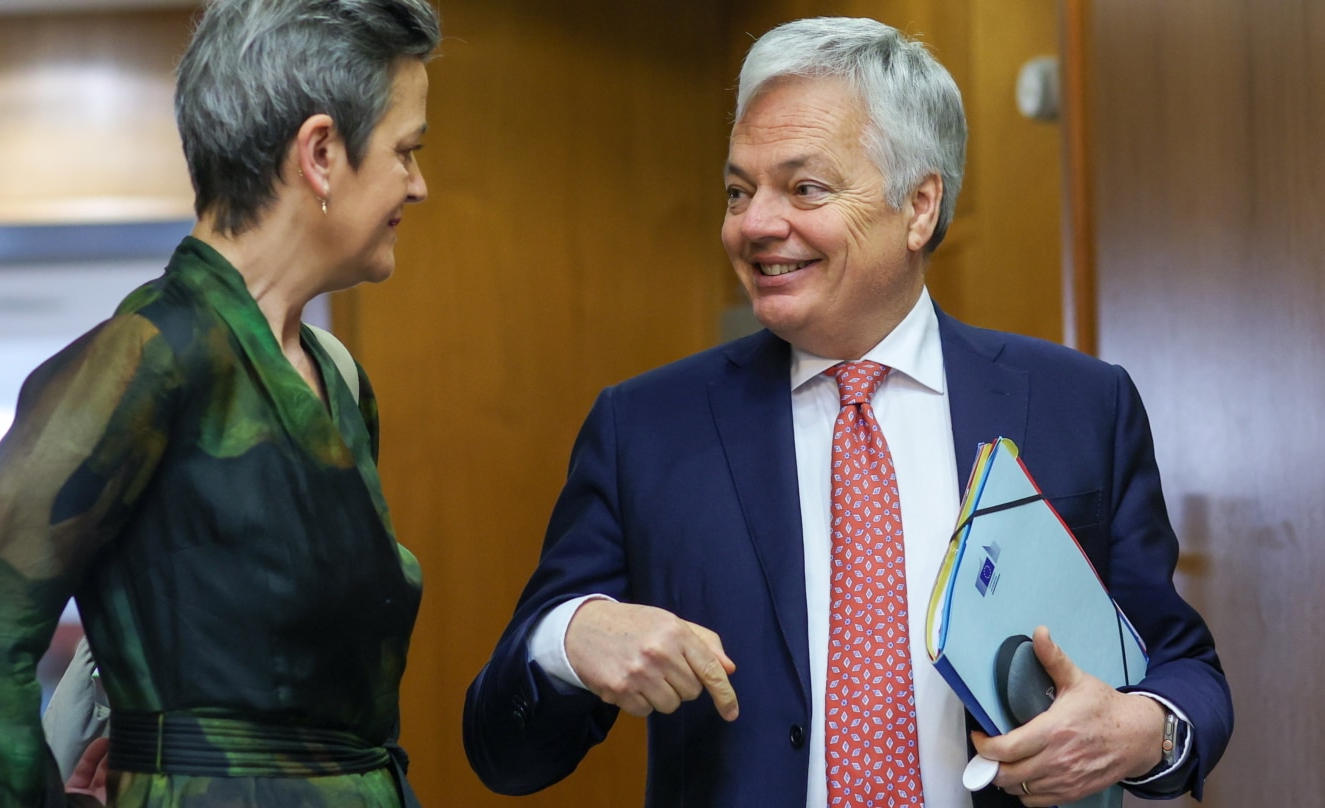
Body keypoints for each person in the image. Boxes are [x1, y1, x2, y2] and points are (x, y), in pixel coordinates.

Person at [463, 16, 1231, 808]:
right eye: (738, 189)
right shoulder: (646, 429)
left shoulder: (1080, 404)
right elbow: (504, 755)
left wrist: (1141, 731)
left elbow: (1182, 668)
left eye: (805, 188)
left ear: (919, 206)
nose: (754, 224)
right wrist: (565, 640)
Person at [0, 1, 440, 806]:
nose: (418, 186)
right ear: (321, 152)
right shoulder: (151, 355)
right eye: (406, 151)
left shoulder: (337, 378)